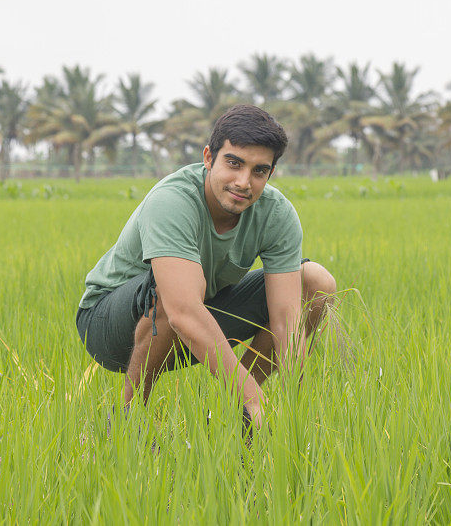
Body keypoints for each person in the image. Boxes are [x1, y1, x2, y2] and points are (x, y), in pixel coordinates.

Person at [75, 104, 336, 428]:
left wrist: (297, 407)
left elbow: (286, 321)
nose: (244, 181)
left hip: (197, 318)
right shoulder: (173, 201)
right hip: (110, 325)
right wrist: (249, 393)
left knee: (314, 281)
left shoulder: (277, 214)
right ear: (209, 158)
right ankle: (129, 417)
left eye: (259, 171)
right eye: (234, 163)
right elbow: (182, 309)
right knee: (170, 290)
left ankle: (238, 417)